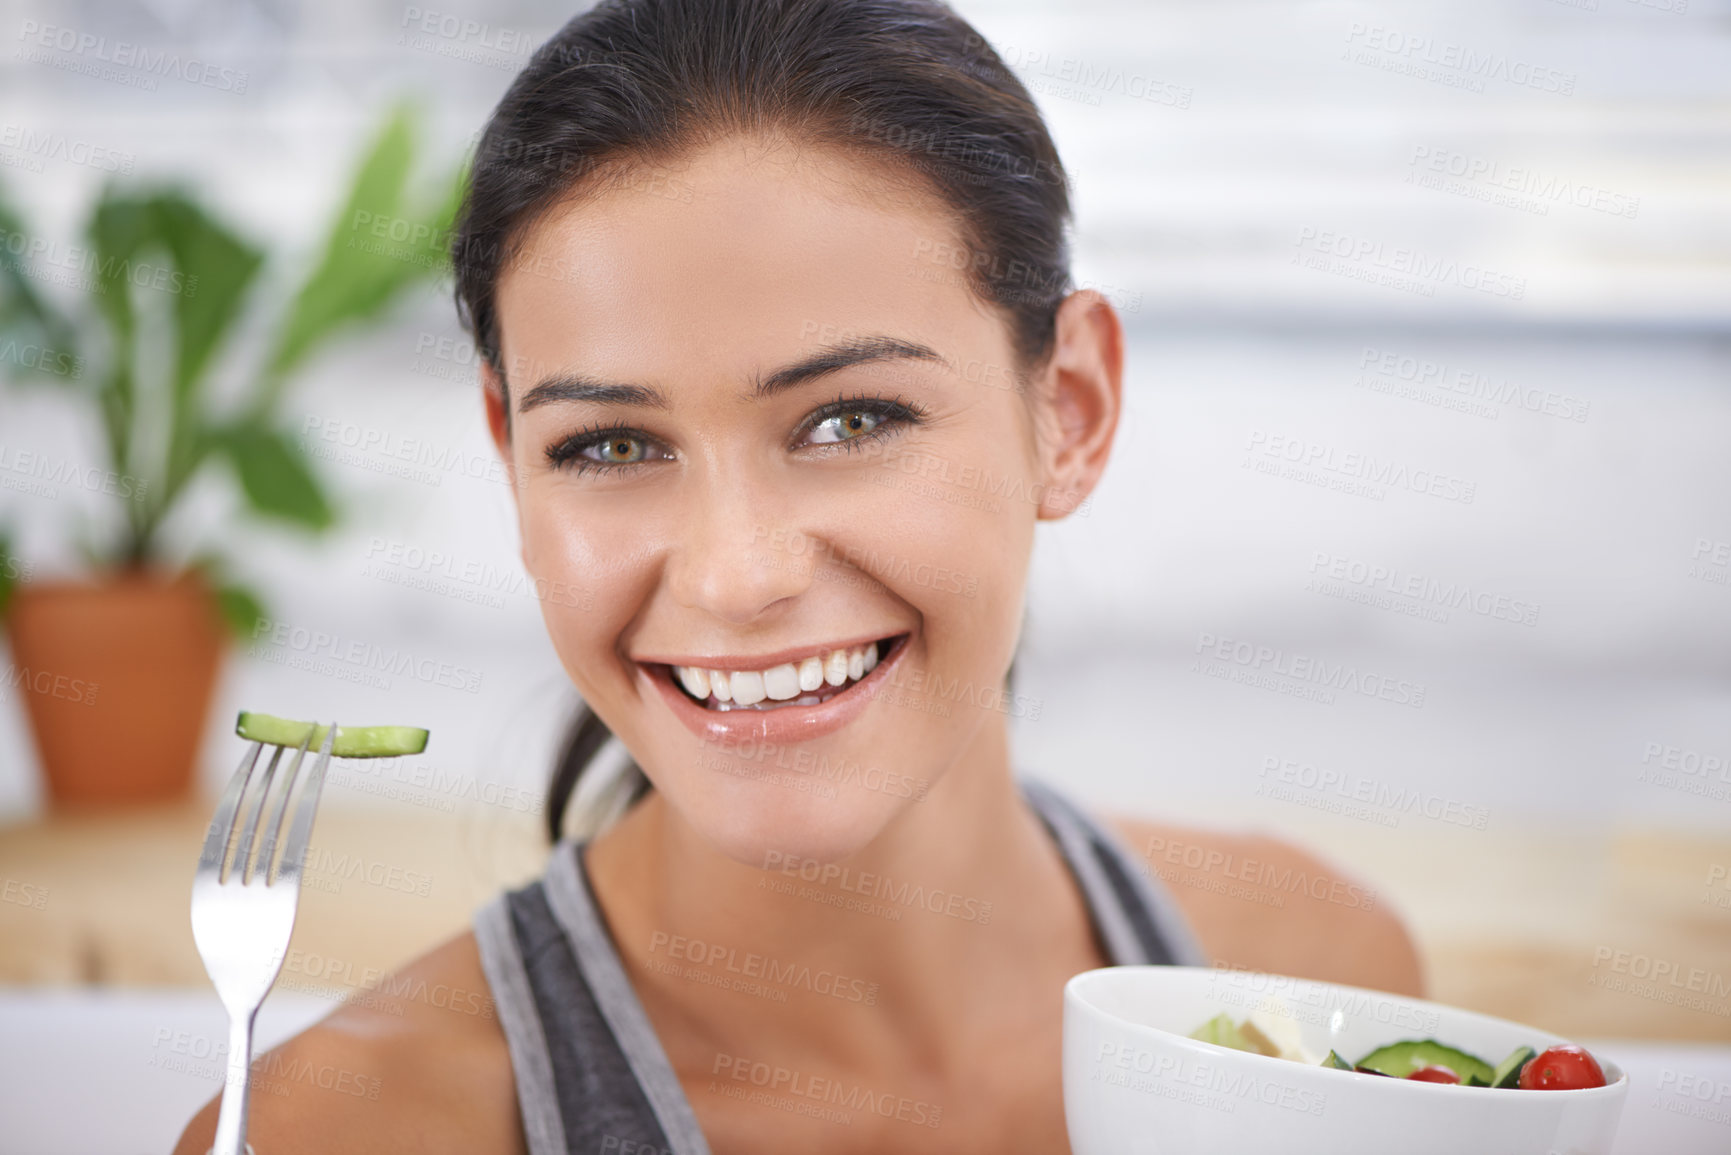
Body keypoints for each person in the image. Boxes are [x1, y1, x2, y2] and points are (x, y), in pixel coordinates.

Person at [176, 0, 1420, 1150]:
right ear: (515, 462)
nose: (736, 575)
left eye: (852, 420)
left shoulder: (1320, 997)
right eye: (610, 445)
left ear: (1072, 408)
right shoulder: (334, 1132)